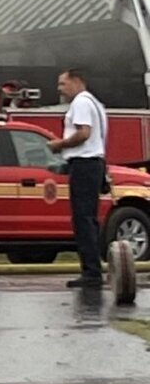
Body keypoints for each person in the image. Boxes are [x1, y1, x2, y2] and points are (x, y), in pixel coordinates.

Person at [53, 68, 108, 288]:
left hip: (84, 163)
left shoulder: (81, 103)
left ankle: (91, 272)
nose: (60, 89)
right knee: (88, 218)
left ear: (77, 81)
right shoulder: (95, 103)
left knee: (83, 219)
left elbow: (84, 133)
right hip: (94, 163)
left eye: (63, 83)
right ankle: (92, 268)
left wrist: (60, 144)